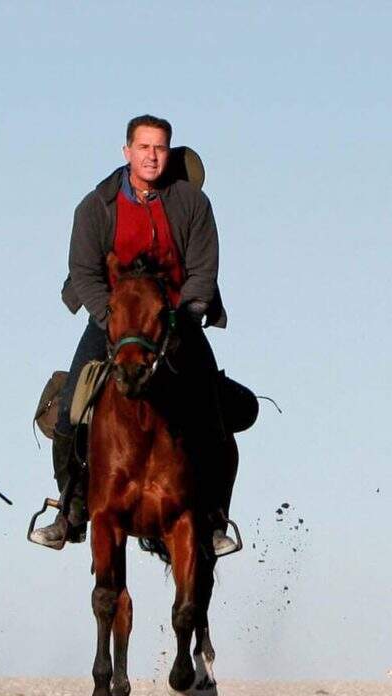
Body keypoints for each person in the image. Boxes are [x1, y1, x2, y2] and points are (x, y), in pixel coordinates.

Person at [28, 114, 237, 555]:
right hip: (115, 323)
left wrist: (184, 316)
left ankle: (214, 518)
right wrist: (110, 317)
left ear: (169, 153)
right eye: (143, 147)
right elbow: (83, 271)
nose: (151, 156)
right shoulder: (95, 206)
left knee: (214, 413)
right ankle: (71, 509)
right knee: (70, 410)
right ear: (127, 152)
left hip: (175, 321)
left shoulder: (194, 204)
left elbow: (203, 270)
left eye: (159, 148)